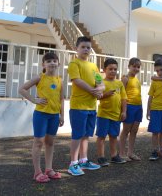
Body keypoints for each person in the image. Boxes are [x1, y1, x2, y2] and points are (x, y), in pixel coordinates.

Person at [19, 52, 64, 183]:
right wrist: (34, 100)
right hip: (41, 115)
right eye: (48, 61)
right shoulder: (39, 78)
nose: (52, 63)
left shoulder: (60, 80)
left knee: (50, 142)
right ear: (43, 65)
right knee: (38, 142)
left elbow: (61, 98)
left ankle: (48, 169)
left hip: (54, 116)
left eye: (54, 61)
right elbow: (22, 89)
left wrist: (62, 115)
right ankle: (37, 172)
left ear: (58, 64)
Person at [67, 36, 104, 176]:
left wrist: (99, 90)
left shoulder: (94, 66)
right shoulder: (74, 64)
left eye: (88, 47)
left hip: (91, 107)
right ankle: (73, 164)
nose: (86, 49)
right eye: (83, 47)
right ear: (76, 48)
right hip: (78, 106)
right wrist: (93, 90)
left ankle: (84, 160)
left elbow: (101, 83)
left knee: (86, 135)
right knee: (77, 135)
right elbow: (76, 80)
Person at [96, 58, 127, 165]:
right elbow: (97, 97)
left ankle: (114, 156)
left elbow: (124, 98)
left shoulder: (119, 84)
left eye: (115, 69)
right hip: (103, 115)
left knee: (114, 136)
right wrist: (106, 94)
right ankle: (101, 157)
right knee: (101, 136)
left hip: (116, 115)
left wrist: (124, 112)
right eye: (110, 69)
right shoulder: (101, 82)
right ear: (104, 70)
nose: (113, 71)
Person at [119, 57, 143, 161]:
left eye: (138, 67)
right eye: (134, 66)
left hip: (138, 107)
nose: (136, 68)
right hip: (129, 107)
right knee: (126, 130)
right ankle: (121, 153)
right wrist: (122, 110)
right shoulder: (125, 78)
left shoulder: (137, 80)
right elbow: (121, 94)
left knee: (134, 130)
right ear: (129, 66)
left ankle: (130, 153)